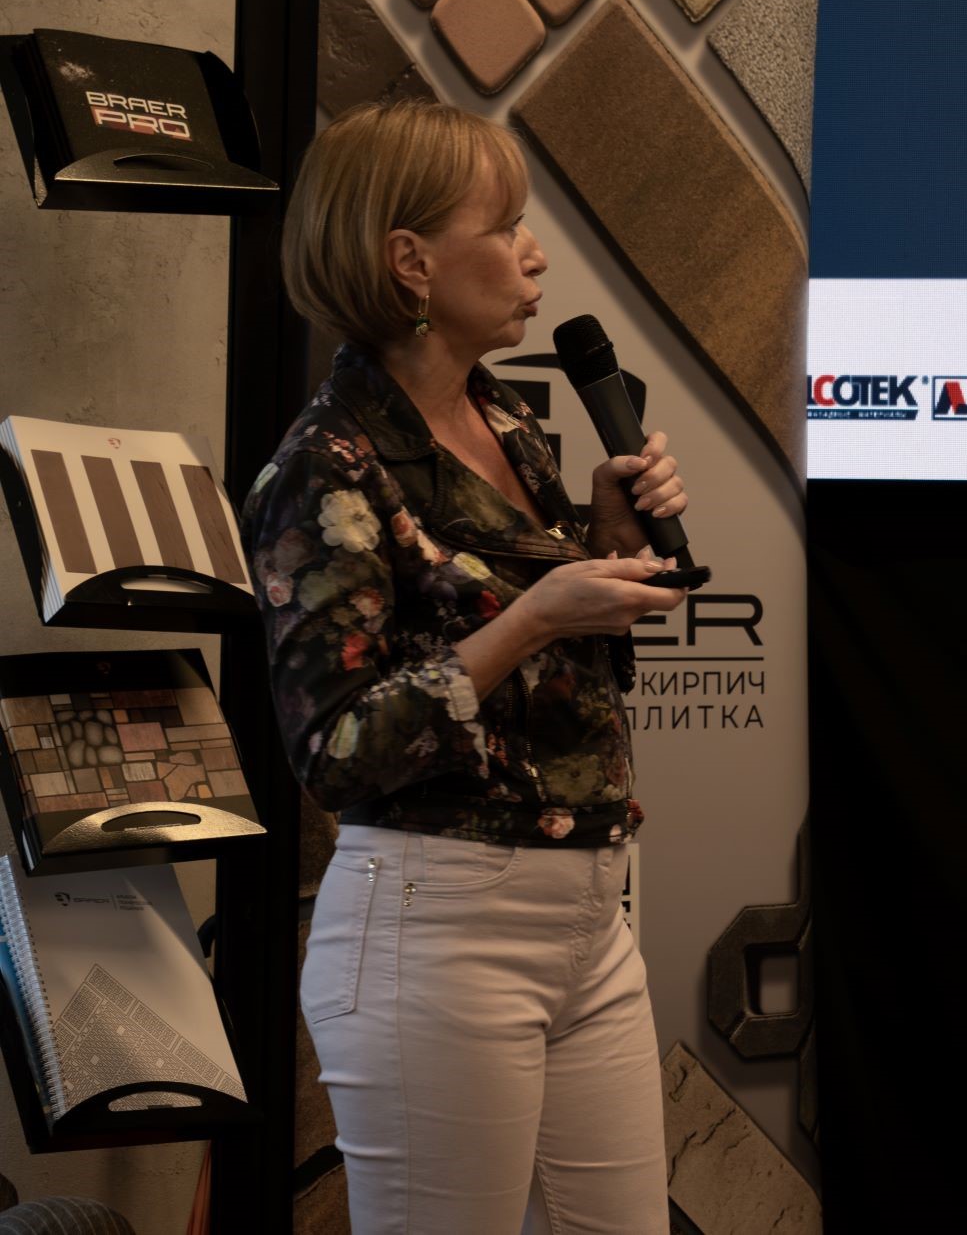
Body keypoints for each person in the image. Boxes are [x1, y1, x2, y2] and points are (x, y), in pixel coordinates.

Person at [241, 100, 690, 1235]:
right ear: (412, 263)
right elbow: (336, 752)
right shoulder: (327, 466)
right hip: (436, 931)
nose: (534, 255)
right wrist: (532, 618)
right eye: (506, 226)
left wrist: (603, 547)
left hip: (587, 915)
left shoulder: (508, 422)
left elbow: (562, 688)